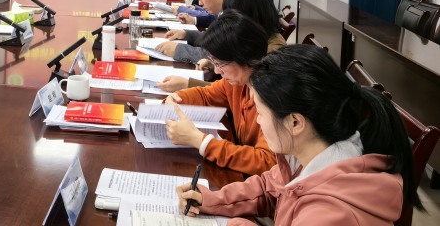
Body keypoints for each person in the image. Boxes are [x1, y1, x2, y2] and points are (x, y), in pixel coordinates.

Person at [177, 45, 421, 225]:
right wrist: (213, 199)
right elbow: (269, 187)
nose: (258, 121)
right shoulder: (313, 152)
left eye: (260, 112)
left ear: (295, 122)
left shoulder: (330, 213)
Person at [164, 10, 277, 176]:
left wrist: (200, 141)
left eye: (220, 64)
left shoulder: (272, 99)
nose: (216, 70)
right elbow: (206, 95)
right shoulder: (238, 82)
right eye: (214, 62)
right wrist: (176, 99)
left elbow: (266, 161)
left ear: (244, 58)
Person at [159, 0, 285, 89]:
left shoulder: (272, 52)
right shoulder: (252, 36)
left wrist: (187, 84)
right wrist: (216, 64)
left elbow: (239, 90)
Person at [156, 0, 230, 60]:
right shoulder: (224, 9)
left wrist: (179, 50)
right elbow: (216, 39)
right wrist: (187, 35)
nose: (200, 3)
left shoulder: (236, 12)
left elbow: (220, 55)